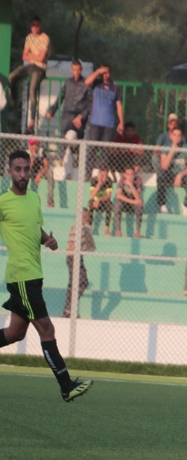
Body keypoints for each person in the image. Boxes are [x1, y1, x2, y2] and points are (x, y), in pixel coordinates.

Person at [0, 150, 93, 401]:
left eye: (26, 169)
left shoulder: (34, 198)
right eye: (17, 169)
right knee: (47, 329)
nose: (22, 174)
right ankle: (66, 386)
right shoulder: (3, 202)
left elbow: (35, 228)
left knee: (15, 333)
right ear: (9, 172)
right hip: (22, 276)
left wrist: (48, 241)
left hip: (33, 275)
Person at [46, 59, 92, 173]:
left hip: (78, 118)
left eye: (78, 70)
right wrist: (52, 111)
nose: (76, 72)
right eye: (74, 69)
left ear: (81, 70)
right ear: (71, 70)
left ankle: (74, 160)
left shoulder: (86, 84)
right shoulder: (68, 82)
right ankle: (64, 164)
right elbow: (60, 97)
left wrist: (81, 116)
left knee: (71, 138)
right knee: (64, 140)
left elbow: (91, 104)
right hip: (66, 116)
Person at [9, 16, 50, 132]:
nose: (35, 27)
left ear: (40, 26)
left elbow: (41, 58)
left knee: (32, 90)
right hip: (29, 66)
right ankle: (15, 104)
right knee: (12, 77)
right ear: (30, 26)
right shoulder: (29, 37)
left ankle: (31, 122)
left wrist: (31, 55)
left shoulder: (45, 38)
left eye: (37, 25)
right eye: (33, 25)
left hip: (40, 68)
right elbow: (24, 56)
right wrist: (35, 56)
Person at [84, 64, 124, 179]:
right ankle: (88, 174)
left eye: (108, 72)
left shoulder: (115, 87)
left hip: (109, 123)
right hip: (95, 122)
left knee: (105, 151)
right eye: (104, 73)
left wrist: (121, 121)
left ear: (111, 73)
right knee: (92, 148)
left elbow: (119, 105)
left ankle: (103, 176)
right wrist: (98, 71)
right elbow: (86, 82)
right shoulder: (96, 83)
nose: (106, 75)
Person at [157, 124, 187, 217]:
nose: (176, 137)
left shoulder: (186, 147)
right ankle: (162, 205)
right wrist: (172, 151)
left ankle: (186, 206)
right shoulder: (166, 146)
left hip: (182, 175)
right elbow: (163, 166)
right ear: (171, 136)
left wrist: (180, 175)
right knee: (160, 174)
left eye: (179, 135)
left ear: (182, 137)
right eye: (174, 135)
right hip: (169, 174)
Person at [63, 208, 95, 318]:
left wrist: (88, 232)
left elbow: (91, 247)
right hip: (74, 258)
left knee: (76, 283)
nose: (89, 218)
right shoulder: (77, 228)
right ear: (84, 216)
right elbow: (72, 245)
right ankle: (69, 308)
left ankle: (68, 309)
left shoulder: (82, 228)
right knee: (81, 282)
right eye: (88, 216)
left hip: (77, 258)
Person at [113, 167, 143, 238]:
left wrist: (131, 185)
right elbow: (118, 195)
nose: (130, 177)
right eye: (128, 174)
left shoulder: (138, 180)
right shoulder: (122, 180)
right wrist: (133, 201)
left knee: (139, 205)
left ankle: (137, 231)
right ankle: (118, 230)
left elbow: (137, 197)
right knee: (117, 204)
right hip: (125, 204)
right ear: (124, 175)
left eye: (132, 174)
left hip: (134, 206)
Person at [27, 139, 54, 208]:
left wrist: (39, 174)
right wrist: (33, 155)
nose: (34, 146)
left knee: (50, 172)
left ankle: (50, 200)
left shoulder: (41, 151)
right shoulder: (26, 152)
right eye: (32, 144)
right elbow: (29, 167)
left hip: (40, 171)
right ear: (29, 145)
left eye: (36, 144)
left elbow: (47, 165)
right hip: (30, 171)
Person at [88, 168, 113, 237]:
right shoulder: (94, 180)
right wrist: (99, 184)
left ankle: (106, 229)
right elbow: (92, 195)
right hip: (94, 200)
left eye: (106, 176)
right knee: (90, 203)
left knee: (109, 205)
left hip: (103, 201)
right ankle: (89, 227)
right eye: (102, 175)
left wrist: (99, 199)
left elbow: (108, 196)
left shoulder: (109, 180)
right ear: (98, 174)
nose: (104, 178)